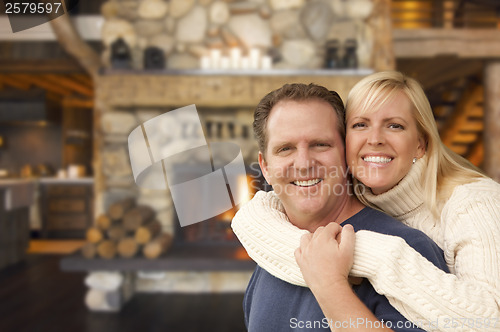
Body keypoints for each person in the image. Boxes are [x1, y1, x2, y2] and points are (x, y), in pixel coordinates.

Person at [232, 72, 500, 331]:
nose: (303, 164)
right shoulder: (273, 249)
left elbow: (490, 322)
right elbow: (254, 217)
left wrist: (338, 278)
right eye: (285, 149)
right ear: (264, 167)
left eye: (320, 145)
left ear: (343, 153)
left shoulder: (428, 235)